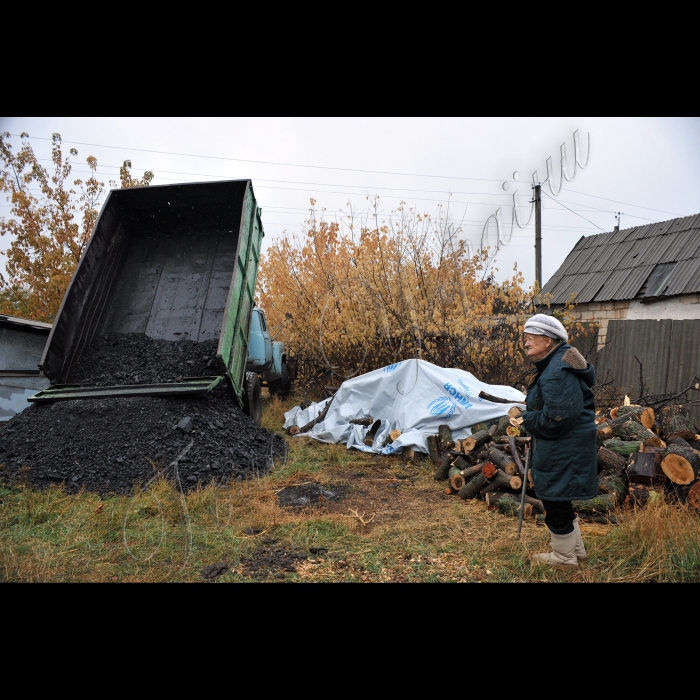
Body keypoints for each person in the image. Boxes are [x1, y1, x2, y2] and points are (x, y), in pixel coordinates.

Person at [521, 314, 598, 569]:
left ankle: (564, 558)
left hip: (564, 447)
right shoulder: (555, 363)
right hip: (567, 447)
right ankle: (576, 552)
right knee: (560, 497)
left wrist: (526, 420)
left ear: (548, 340)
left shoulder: (556, 372)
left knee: (555, 499)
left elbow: (557, 417)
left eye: (532, 336)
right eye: (525, 336)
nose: (526, 341)